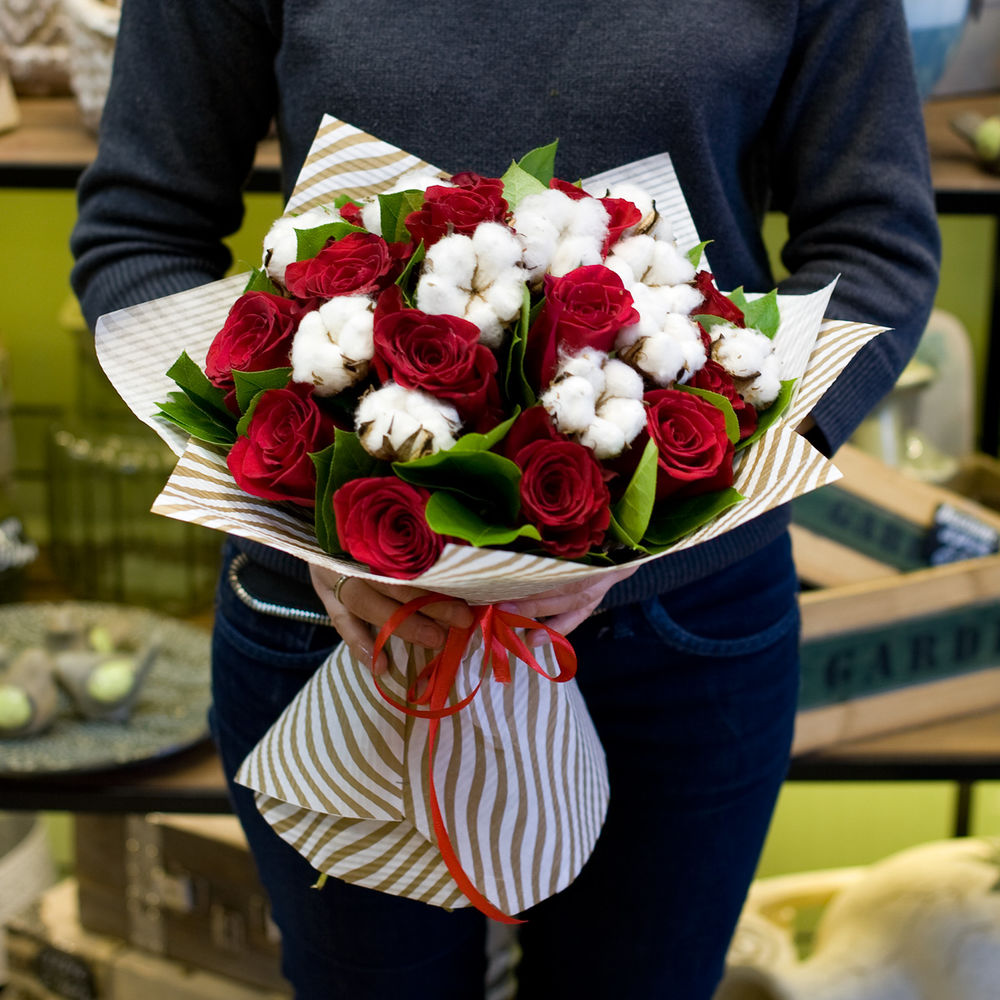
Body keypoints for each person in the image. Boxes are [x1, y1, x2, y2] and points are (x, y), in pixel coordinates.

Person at [70, 1, 940, 997]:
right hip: (334, 626)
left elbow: (877, 249)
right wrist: (306, 523)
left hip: (684, 635)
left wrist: (689, 506)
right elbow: (140, 235)